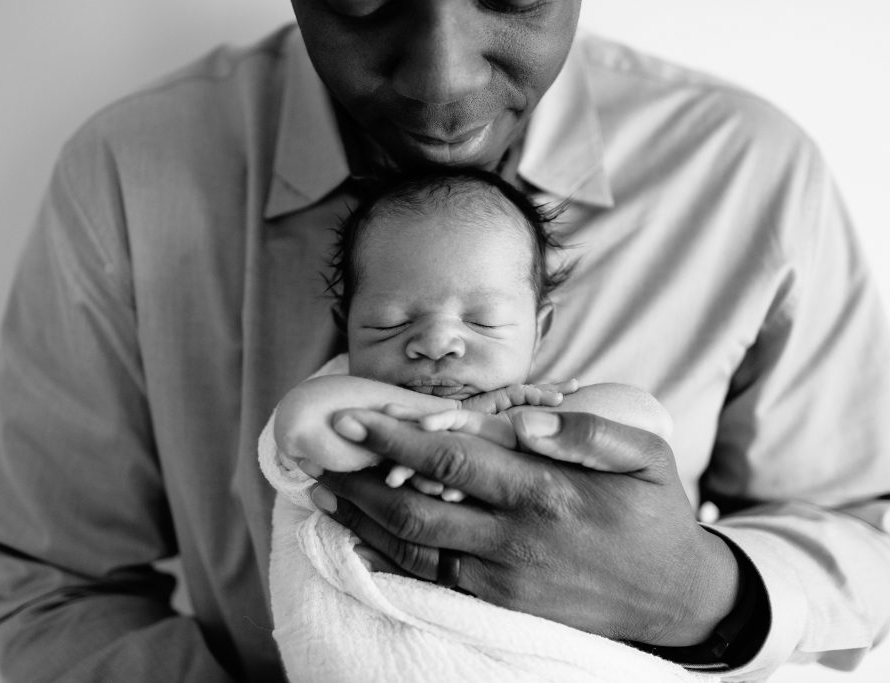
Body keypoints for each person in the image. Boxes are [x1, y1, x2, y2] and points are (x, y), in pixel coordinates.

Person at [0, 1, 890, 681]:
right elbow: (53, 580)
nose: (442, 77)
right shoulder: (132, 171)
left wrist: (696, 594)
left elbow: (865, 525)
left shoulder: (744, 170)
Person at [257, 167, 704, 682]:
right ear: (346, 330)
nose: (438, 343)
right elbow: (302, 426)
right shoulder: (344, 397)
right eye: (390, 322)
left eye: (483, 321)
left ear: (539, 331)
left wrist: (518, 426)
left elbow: (648, 420)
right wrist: (458, 421)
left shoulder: (550, 405)